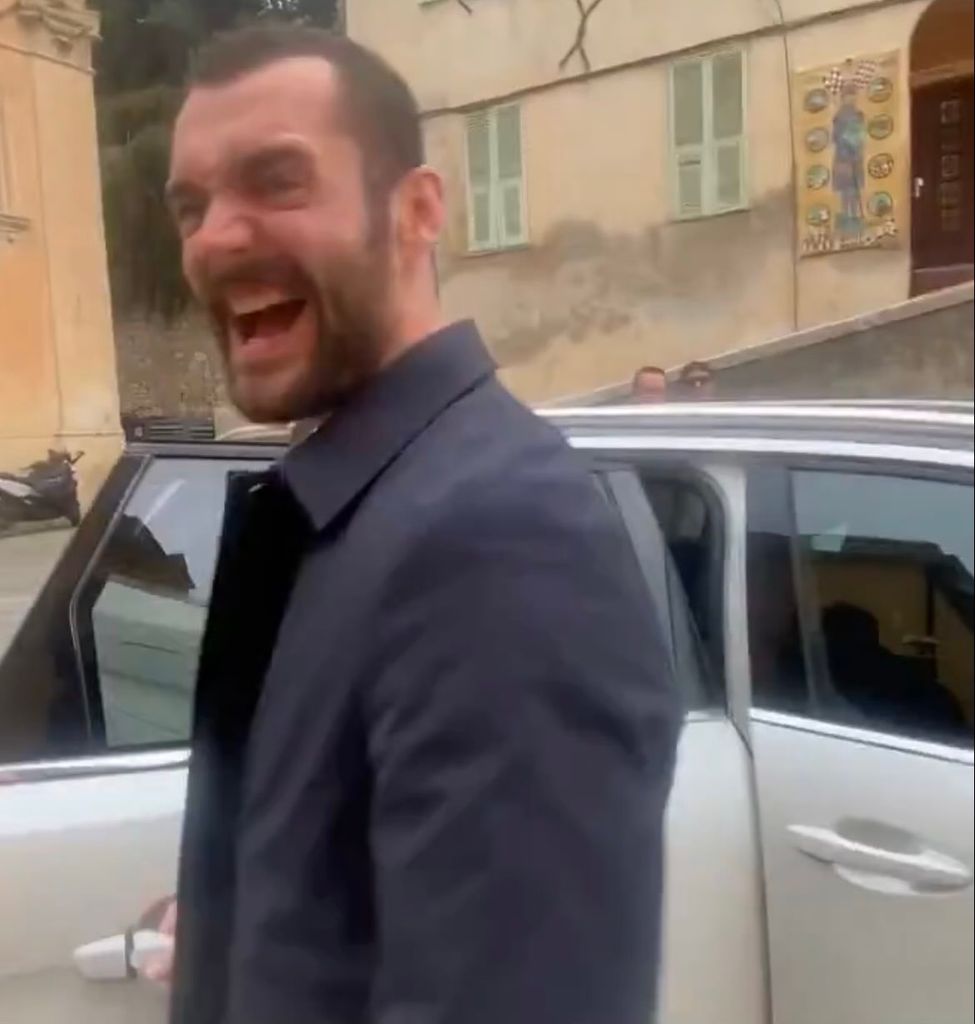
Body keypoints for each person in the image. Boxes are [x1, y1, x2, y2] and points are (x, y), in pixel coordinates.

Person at [150, 25, 680, 1024]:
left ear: (418, 211)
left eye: (276, 180)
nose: (213, 238)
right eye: (191, 207)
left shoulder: (501, 542)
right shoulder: (359, 511)